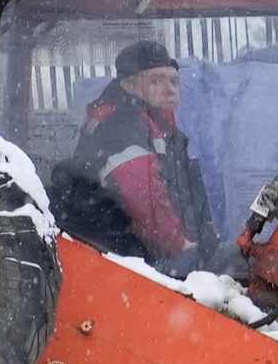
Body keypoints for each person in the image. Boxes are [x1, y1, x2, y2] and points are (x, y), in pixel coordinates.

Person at [54, 39, 219, 273]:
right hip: (133, 262)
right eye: (156, 81)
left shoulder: (158, 129)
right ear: (129, 85)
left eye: (174, 81)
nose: (170, 90)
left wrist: (204, 232)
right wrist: (182, 244)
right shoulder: (121, 126)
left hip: (142, 256)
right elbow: (144, 196)